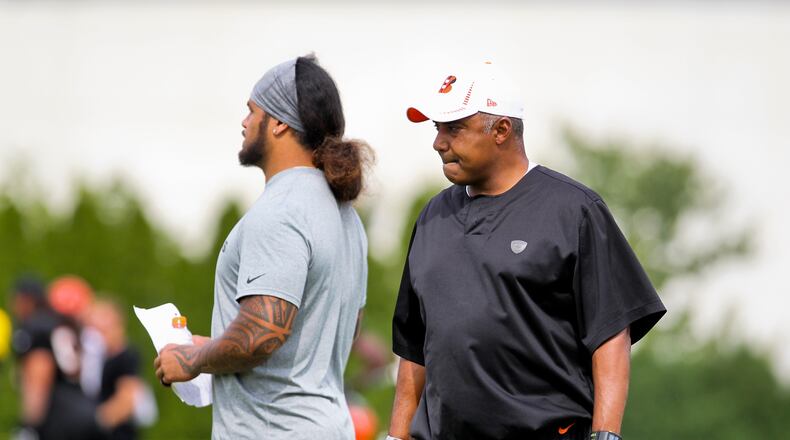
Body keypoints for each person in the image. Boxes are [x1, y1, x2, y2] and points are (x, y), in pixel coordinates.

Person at [388, 62, 666, 440]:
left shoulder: (573, 209)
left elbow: (611, 334)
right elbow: (414, 349)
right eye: (437, 129)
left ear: (501, 129)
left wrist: (606, 434)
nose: (439, 142)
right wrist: (396, 436)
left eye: (454, 129)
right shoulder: (432, 216)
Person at [154, 55, 371, 439]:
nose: (244, 122)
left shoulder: (281, 211)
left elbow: (262, 333)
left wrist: (192, 360)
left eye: (252, 111)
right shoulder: (346, 216)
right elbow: (342, 331)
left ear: (280, 122)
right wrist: (220, 346)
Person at [11, 275, 104, 440]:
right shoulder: (62, 326)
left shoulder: (35, 326)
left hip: (60, 419)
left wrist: (29, 426)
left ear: (26, 300)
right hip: (85, 411)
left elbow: (39, 376)